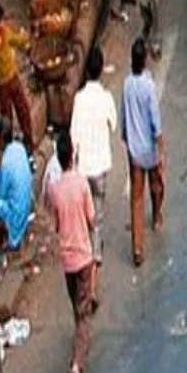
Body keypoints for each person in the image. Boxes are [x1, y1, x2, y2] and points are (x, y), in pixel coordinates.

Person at [47, 131, 97, 373]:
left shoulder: (55, 190)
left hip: (67, 259)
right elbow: (91, 219)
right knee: (83, 315)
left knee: (76, 305)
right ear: (73, 156)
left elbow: (55, 222)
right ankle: (77, 363)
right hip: (83, 256)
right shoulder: (81, 184)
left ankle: (79, 344)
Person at [69, 46, 117, 275]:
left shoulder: (78, 100)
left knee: (86, 216)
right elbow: (114, 124)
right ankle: (95, 254)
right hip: (100, 166)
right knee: (97, 214)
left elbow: (73, 137)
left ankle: (89, 252)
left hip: (84, 167)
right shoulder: (106, 98)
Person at [122, 37, 166, 266]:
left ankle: (137, 248)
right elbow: (156, 122)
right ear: (145, 61)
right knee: (157, 186)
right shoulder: (148, 87)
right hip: (148, 149)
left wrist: (125, 140)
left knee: (136, 200)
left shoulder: (127, 84)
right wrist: (161, 149)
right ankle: (157, 216)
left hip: (135, 152)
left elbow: (124, 118)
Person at [0, 5, 36, 153]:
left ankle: (29, 143)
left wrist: (27, 40)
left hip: (14, 78)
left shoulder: (6, 34)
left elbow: (17, 40)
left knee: (23, 110)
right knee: (6, 118)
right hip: (2, 85)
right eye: (1, 22)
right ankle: (8, 147)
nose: (4, 24)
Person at [0, 123, 35, 256]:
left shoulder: (5, 162)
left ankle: (6, 235)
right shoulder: (19, 148)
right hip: (25, 205)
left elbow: (1, 193)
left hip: (15, 214)